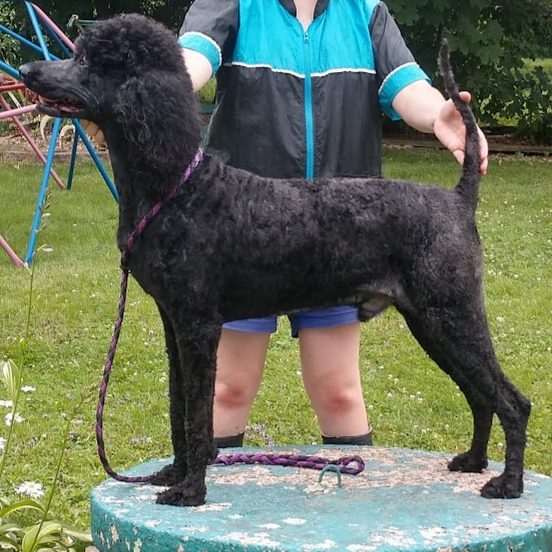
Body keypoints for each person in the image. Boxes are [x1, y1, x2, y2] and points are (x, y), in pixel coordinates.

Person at [86, 0, 489, 448]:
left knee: (339, 392)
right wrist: (139, 90)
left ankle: (351, 494)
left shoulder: (365, 11)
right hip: (242, 231)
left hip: (342, 231)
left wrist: (437, 114)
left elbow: (407, 86)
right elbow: (190, 64)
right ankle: (206, 487)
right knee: (228, 388)